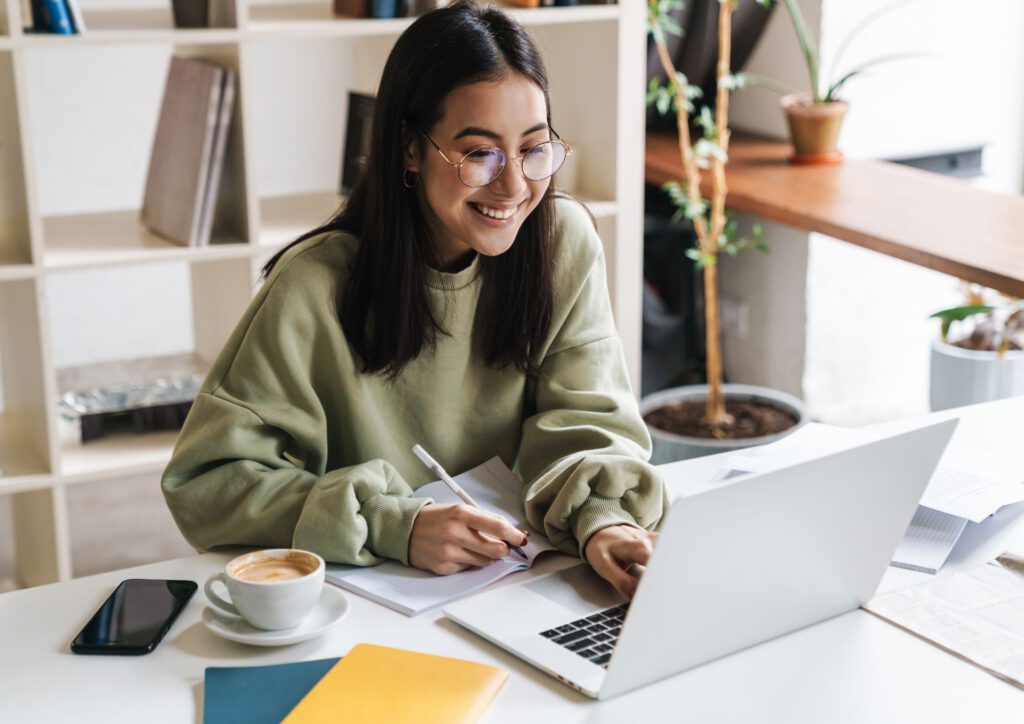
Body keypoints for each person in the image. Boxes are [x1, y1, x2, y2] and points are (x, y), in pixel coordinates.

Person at [161, 0, 667, 599]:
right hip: (366, 605)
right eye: (480, 154)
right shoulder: (313, 286)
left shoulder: (564, 244)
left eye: (534, 148)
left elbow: (587, 423)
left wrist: (603, 518)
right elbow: (208, 483)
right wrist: (394, 524)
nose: (514, 186)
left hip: (524, 588)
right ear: (409, 148)